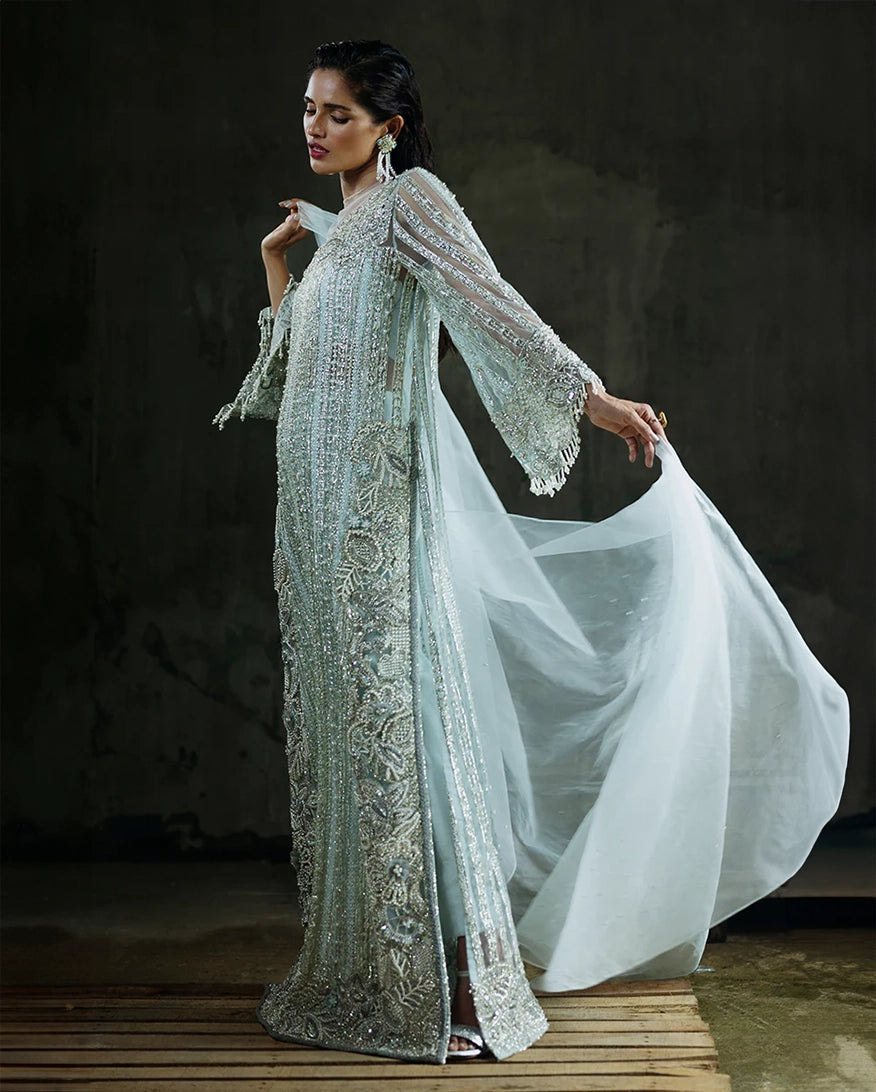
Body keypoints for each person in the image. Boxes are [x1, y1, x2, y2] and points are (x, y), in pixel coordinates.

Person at [214, 39, 849, 1064]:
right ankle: (380, 974)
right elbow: (291, 377)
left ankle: (463, 988)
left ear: (389, 126)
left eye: (337, 113)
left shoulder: (414, 204)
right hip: (314, 516)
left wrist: (593, 400)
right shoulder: (338, 236)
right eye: (309, 109)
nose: (315, 128)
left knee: (409, 732)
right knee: (350, 736)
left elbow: (494, 306)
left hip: (380, 507)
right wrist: (279, 268)